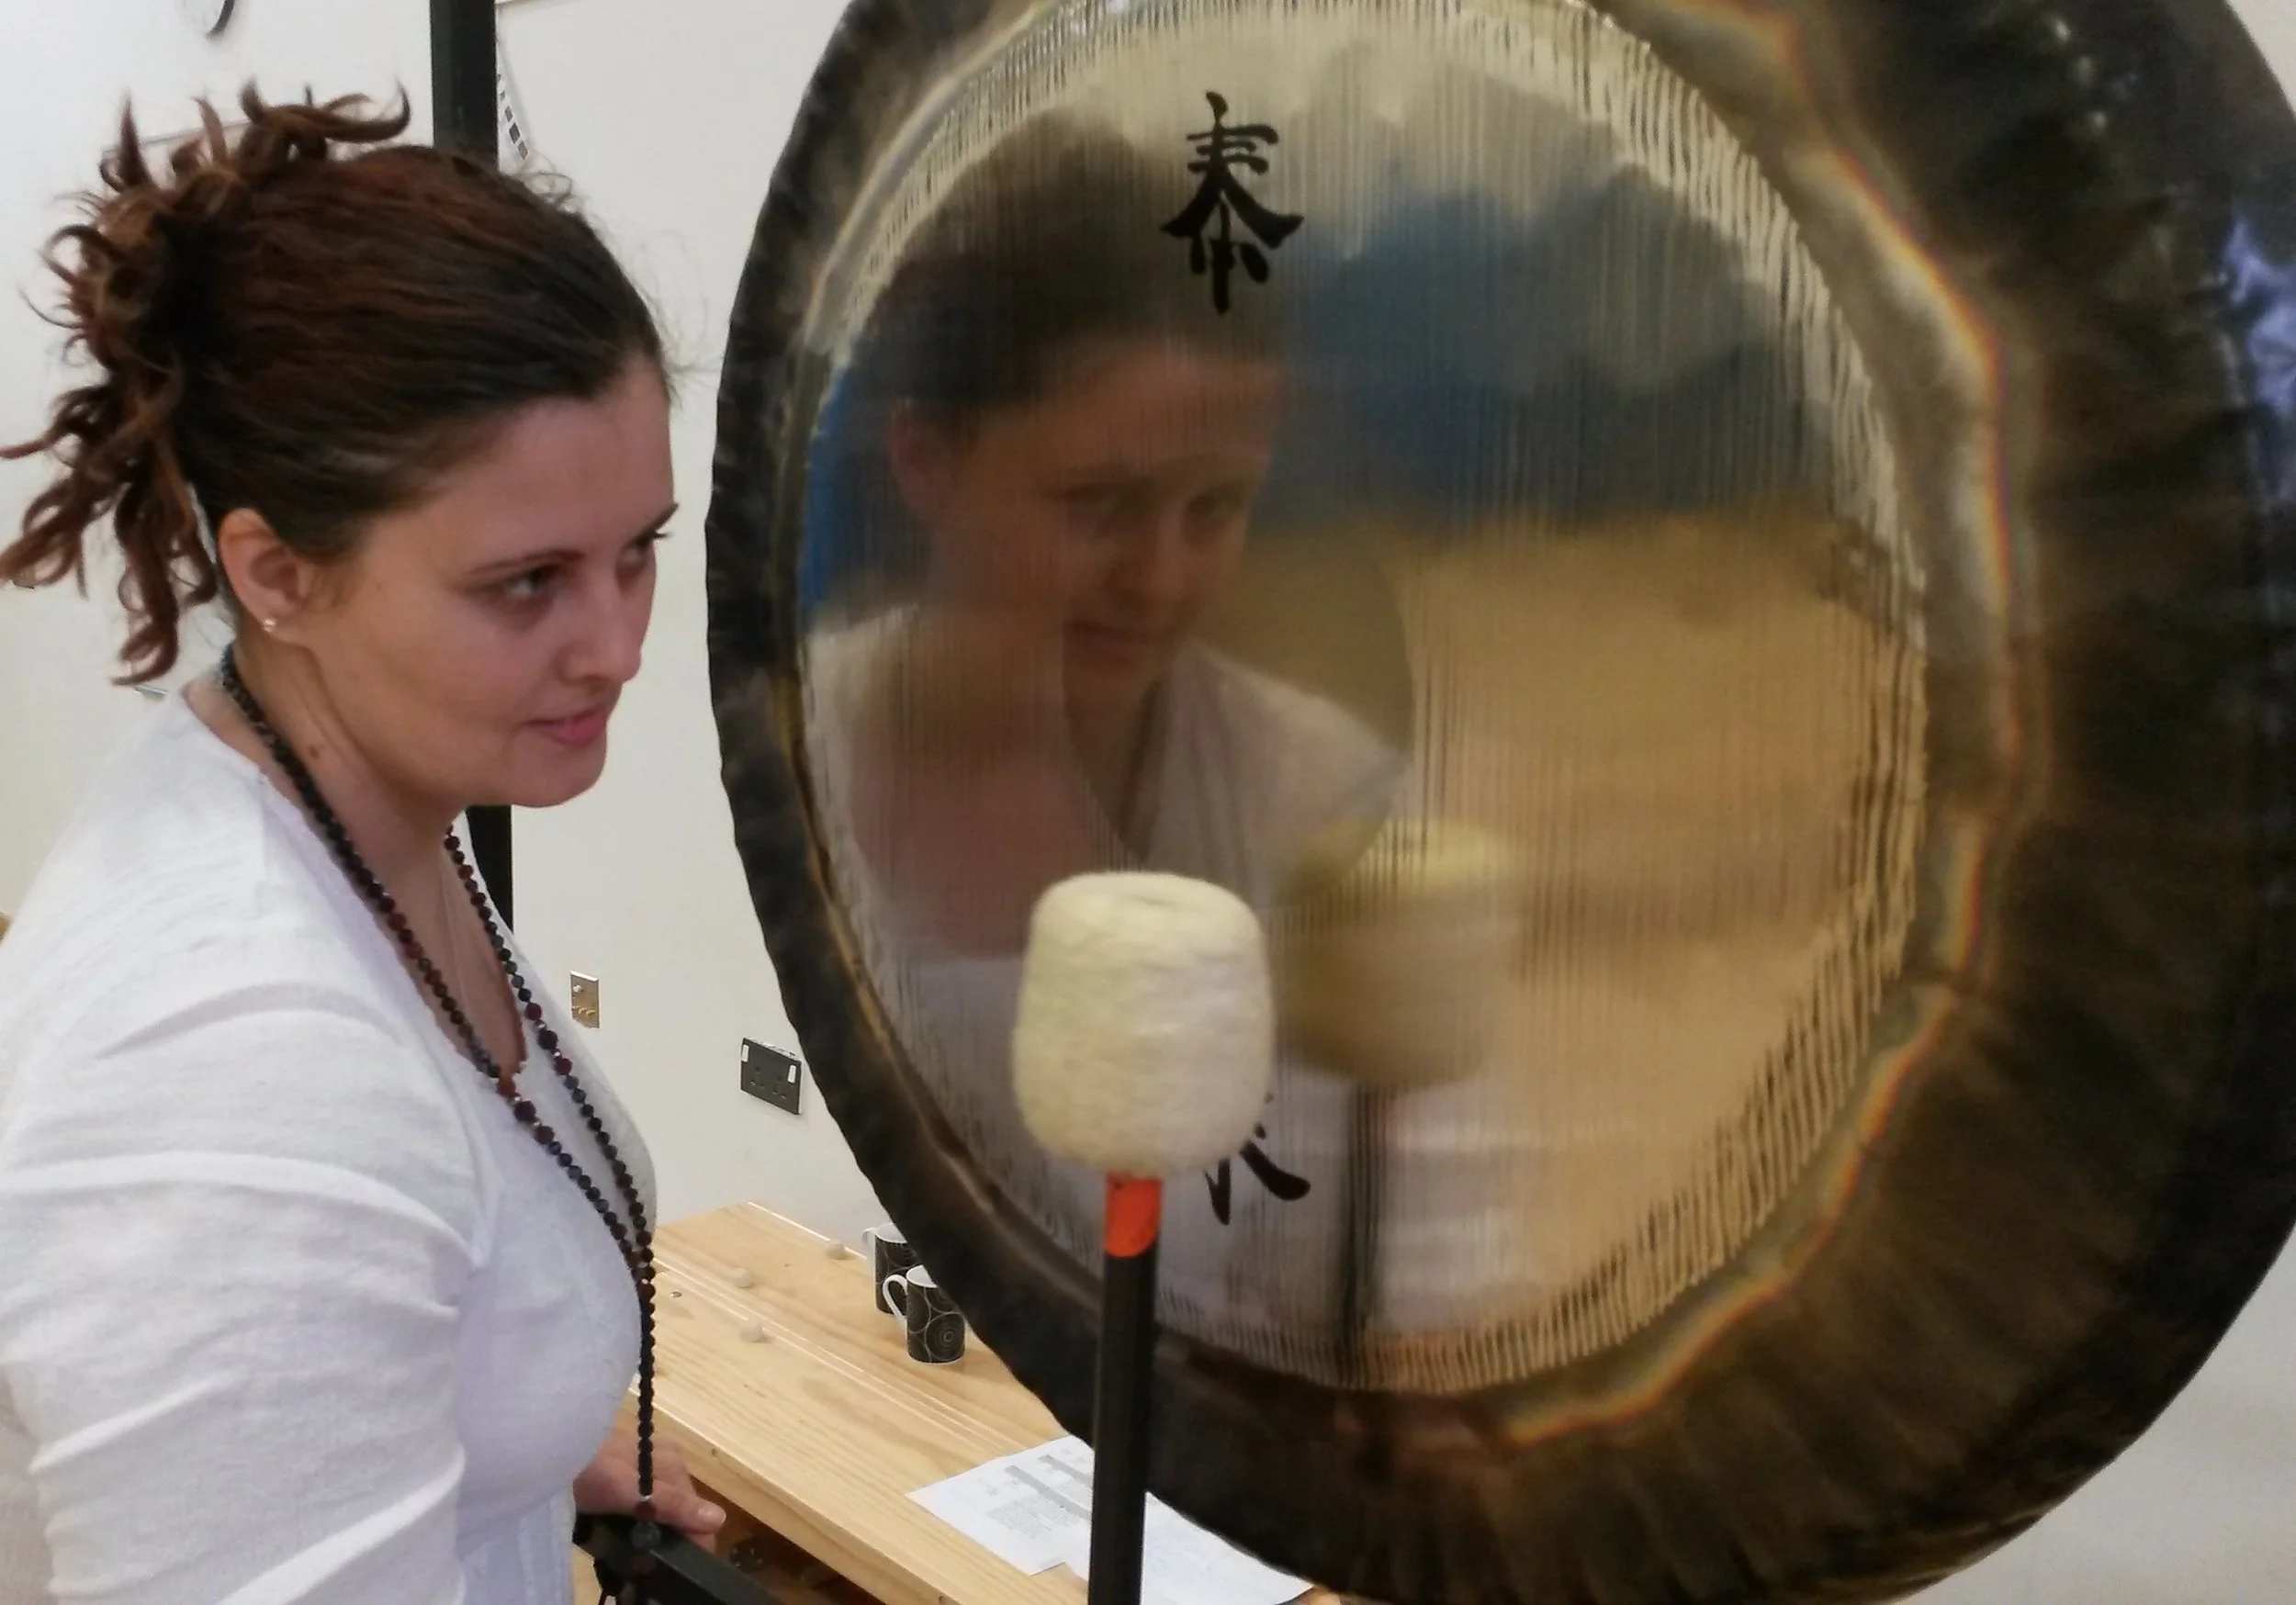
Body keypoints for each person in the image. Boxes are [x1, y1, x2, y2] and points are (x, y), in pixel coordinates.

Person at [0, 93, 725, 1601]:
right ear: (277, 572)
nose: (617, 647)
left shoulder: (346, 811)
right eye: (528, 583)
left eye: (638, 551)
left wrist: (508, 1453)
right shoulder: (237, 1068)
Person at [801, 116, 1401, 1352]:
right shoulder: (790, 758)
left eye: (1216, 507)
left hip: (1212, 1490)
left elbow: (1350, 1286)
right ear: (927, 460)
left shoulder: (1321, 793)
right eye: (1100, 505)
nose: (1163, 577)